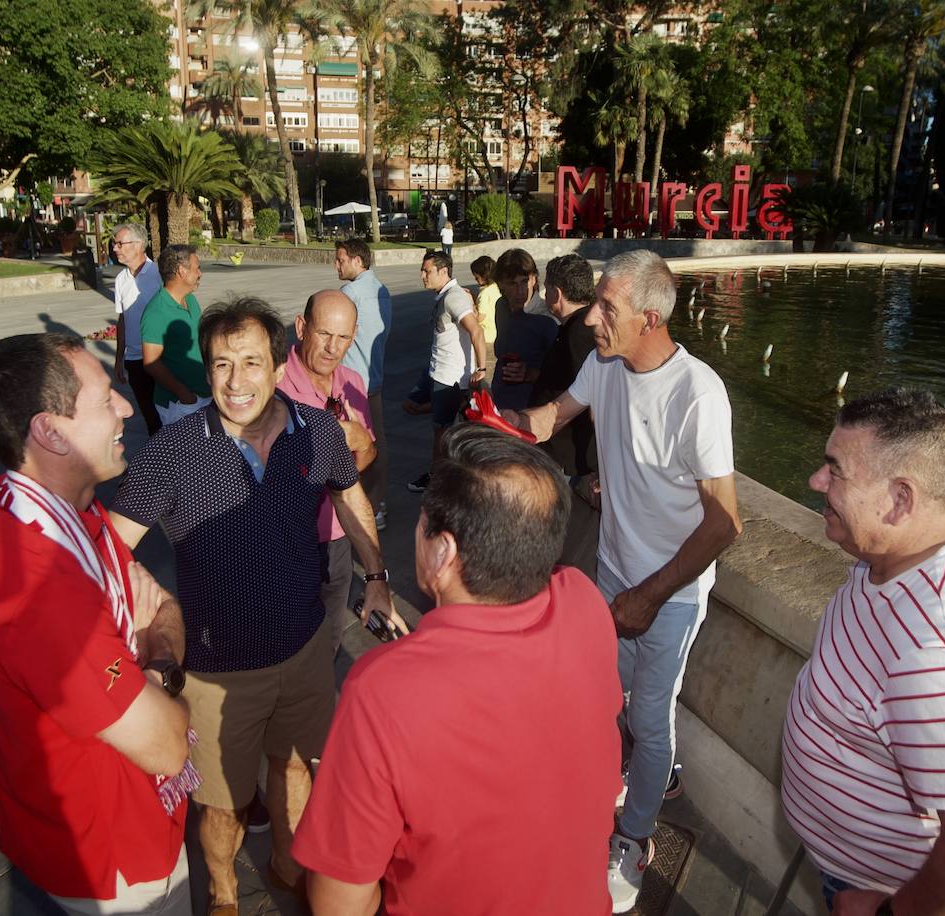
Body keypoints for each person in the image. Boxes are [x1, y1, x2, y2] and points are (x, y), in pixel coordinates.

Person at [108, 297, 404, 915]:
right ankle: (221, 893)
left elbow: (353, 502)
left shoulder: (318, 430)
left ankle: (285, 863)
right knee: (223, 802)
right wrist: (152, 616)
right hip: (218, 673)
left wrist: (376, 576)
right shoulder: (173, 452)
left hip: (303, 650)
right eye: (221, 365)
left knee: (296, 770)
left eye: (250, 363)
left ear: (277, 364)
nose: (236, 382)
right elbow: (110, 547)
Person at [292, 425, 623, 916]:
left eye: (423, 524)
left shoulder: (381, 693)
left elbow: (338, 902)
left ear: (443, 551)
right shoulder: (583, 601)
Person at [503, 249, 742, 913]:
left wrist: (651, 594)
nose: (593, 315)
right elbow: (553, 417)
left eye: (608, 306)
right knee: (607, 698)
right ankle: (637, 782)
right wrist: (501, 422)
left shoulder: (699, 394)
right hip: (613, 573)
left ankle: (635, 836)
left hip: (672, 591)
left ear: (650, 317)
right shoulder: (603, 363)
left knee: (647, 712)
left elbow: (725, 525)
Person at [781, 388, 945, 916]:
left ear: (901, 499)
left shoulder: (942, 657)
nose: (816, 481)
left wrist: (887, 913)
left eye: (835, 470)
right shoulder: (908, 551)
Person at [0, 334, 194, 914]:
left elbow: (163, 607)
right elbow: (166, 746)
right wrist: (164, 665)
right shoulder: (37, 588)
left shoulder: (72, 514)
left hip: (138, 822)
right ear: (50, 431)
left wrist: (153, 650)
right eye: (104, 398)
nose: (124, 407)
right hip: (116, 865)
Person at [277, 289, 377, 628]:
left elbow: (366, 457)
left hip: (336, 535)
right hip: (286, 540)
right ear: (302, 327)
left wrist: (361, 439)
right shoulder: (272, 387)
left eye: (343, 337)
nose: (333, 348)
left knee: (330, 634)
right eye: (324, 334)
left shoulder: (353, 382)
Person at [529, 253, 600, 575]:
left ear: (556, 293)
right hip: (565, 454)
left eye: (546, 287)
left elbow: (594, 396)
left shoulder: (579, 332)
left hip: (569, 459)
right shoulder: (576, 327)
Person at [406, 250, 486, 493]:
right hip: (434, 371)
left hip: (449, 377)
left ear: (443, 271)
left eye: (427, 271)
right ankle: (458, 405)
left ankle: (436, 477)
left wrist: (481, 368)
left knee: (440, 433)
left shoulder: (454, 298)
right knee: (409, 405)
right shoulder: (446, 295)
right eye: (422, 270)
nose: (422, 276)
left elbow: (476, 331)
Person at [334, 239, 392, 529]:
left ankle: (353, 505)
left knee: (349, 445)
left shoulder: (350, 293)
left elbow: (337, 338)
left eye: (341, 259)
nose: (337, 265)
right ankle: (378, 503)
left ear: (358, 261)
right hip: (374, 380)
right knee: (376, 441)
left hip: (348, 385)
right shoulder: (382, 291)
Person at [140, 243, 210, 425]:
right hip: (180, 404)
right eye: (197, 268)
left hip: (204, 393)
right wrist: (183, 394)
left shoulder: (190, 300)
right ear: (181, 271)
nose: (200, 273)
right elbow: (151, 363)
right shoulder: (156, 312)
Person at [110, 222, 164, 434]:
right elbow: (123, 319)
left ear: (139, 245)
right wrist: (118, 358)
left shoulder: (158, 274)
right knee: (149, 416)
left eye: (120, 244)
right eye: (115, 244)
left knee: (166, 413)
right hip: (133, 359)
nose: (115, 248)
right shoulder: (120, 279)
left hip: (159, 356)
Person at [490, 248, 558, 411]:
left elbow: (562, 377)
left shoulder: (548, 318)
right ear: (500, 283)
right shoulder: (501, 306)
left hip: (530, 411)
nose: (520, 291)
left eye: (524, 281)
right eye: (512, 284)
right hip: (501, 404)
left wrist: (529, 374)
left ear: (534, 279)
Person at [471, 254, 499, 357]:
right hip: (495, 332)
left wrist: (472, 306)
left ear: (484, 275)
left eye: (476, 276)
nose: (475, 278)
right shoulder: (495, 287)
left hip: (486, 336)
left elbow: (480, 318)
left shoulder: (484, 294)